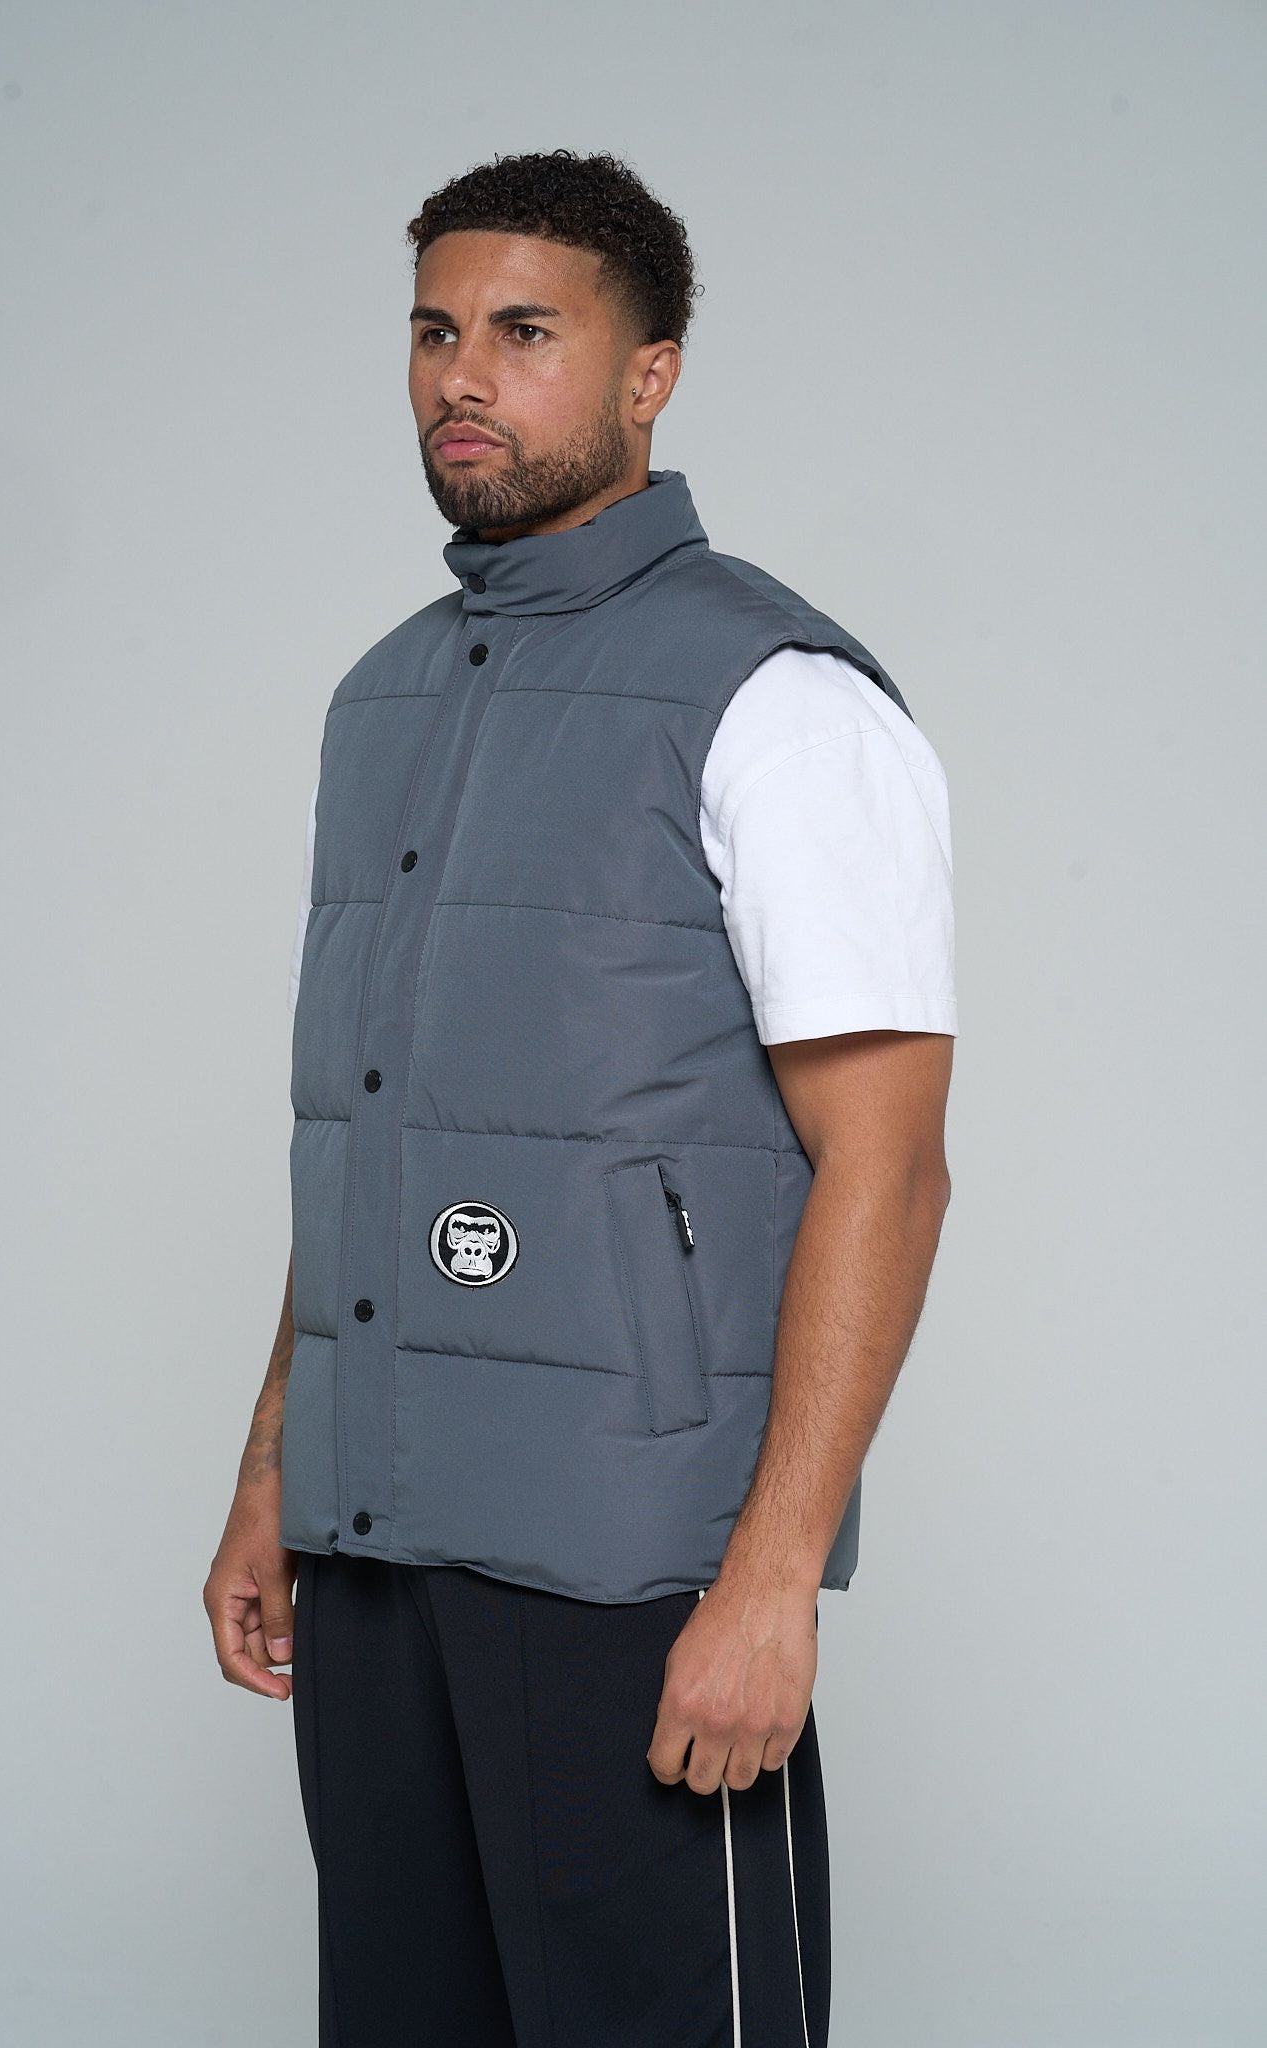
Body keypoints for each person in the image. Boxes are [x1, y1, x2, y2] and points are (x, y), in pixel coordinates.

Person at [204, 148, 955, 2047]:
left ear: (649, 372)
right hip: (376, 1550)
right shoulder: (381, 697)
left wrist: (769, 1584)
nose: (462, 376)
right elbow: (371, 1127)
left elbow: (887, 1165)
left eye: (525, 332)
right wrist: (275, 1468)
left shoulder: (773, 695)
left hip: (637, 1567)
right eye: (433, 331)